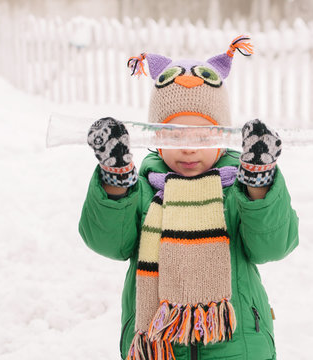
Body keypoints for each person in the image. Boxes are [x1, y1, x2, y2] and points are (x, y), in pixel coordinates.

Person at [79, 35, 299, 360]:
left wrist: (258, 184)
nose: (189, 147)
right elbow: (107, 241)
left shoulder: (236, 191)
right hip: (158, 346)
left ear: (223, 138)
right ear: (155, 136)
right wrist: (116, 181)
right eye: (173, 133)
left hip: (239, 346)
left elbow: (273, 245)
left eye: (203, 134)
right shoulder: (143, 192)